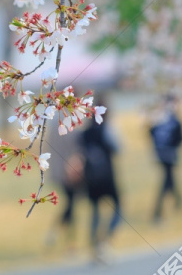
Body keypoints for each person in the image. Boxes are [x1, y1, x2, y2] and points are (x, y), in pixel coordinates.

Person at [80, 107, 121, 263]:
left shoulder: (84, 134)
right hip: (108, 177)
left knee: (95, 212)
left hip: (91, 179)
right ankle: (105, 240)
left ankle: (95, 246)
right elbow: (117, 148)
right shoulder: (106, 131)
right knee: (118, 207)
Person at [150, 93, 182, 222]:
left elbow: (150, 133)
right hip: (168, 155)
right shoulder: (170, 119)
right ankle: (157, 213)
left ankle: (178, 201)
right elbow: (180, 137)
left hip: (163, 154)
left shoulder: (159, 117)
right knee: (166, 182)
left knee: (170, 178)